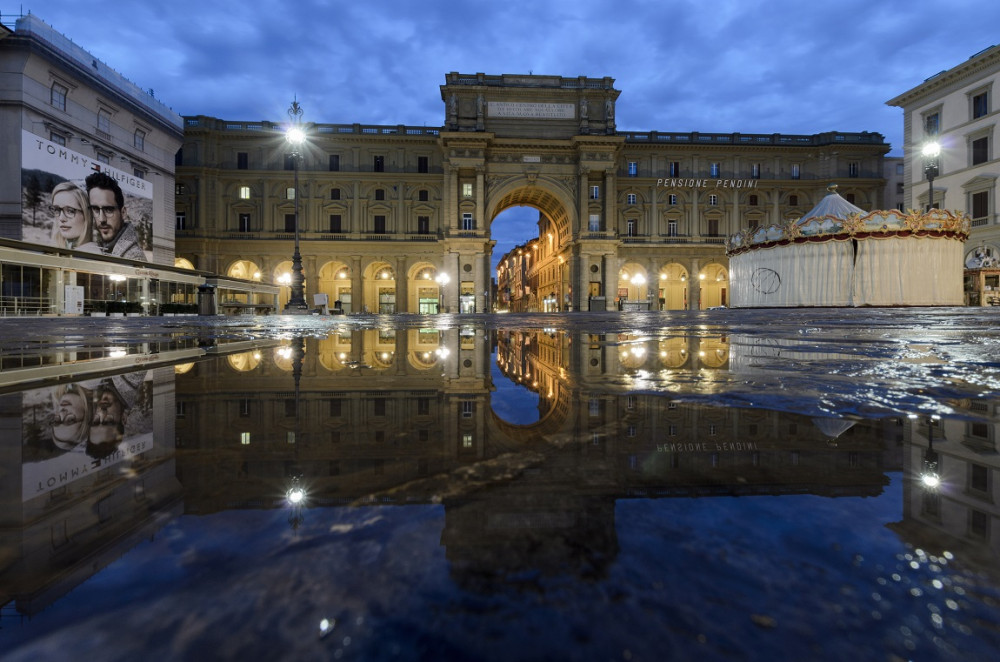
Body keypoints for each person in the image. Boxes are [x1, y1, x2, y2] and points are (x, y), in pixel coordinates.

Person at [85, 171, 146, 261]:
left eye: (108, 210)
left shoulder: (134, 257)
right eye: (96, 209)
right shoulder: (97, 247)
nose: (102, 219)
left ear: (123, 213)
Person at [49, 181, 100, 252]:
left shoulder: (94, 253)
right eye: (57, 210)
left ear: (87, 215)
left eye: (70, 211)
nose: (61, 218)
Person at [49, 382, 94, 451]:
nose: (62, 413)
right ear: (86, 417)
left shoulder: (56, 386)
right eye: (70, 420)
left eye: (56, 421)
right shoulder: (93, 382)